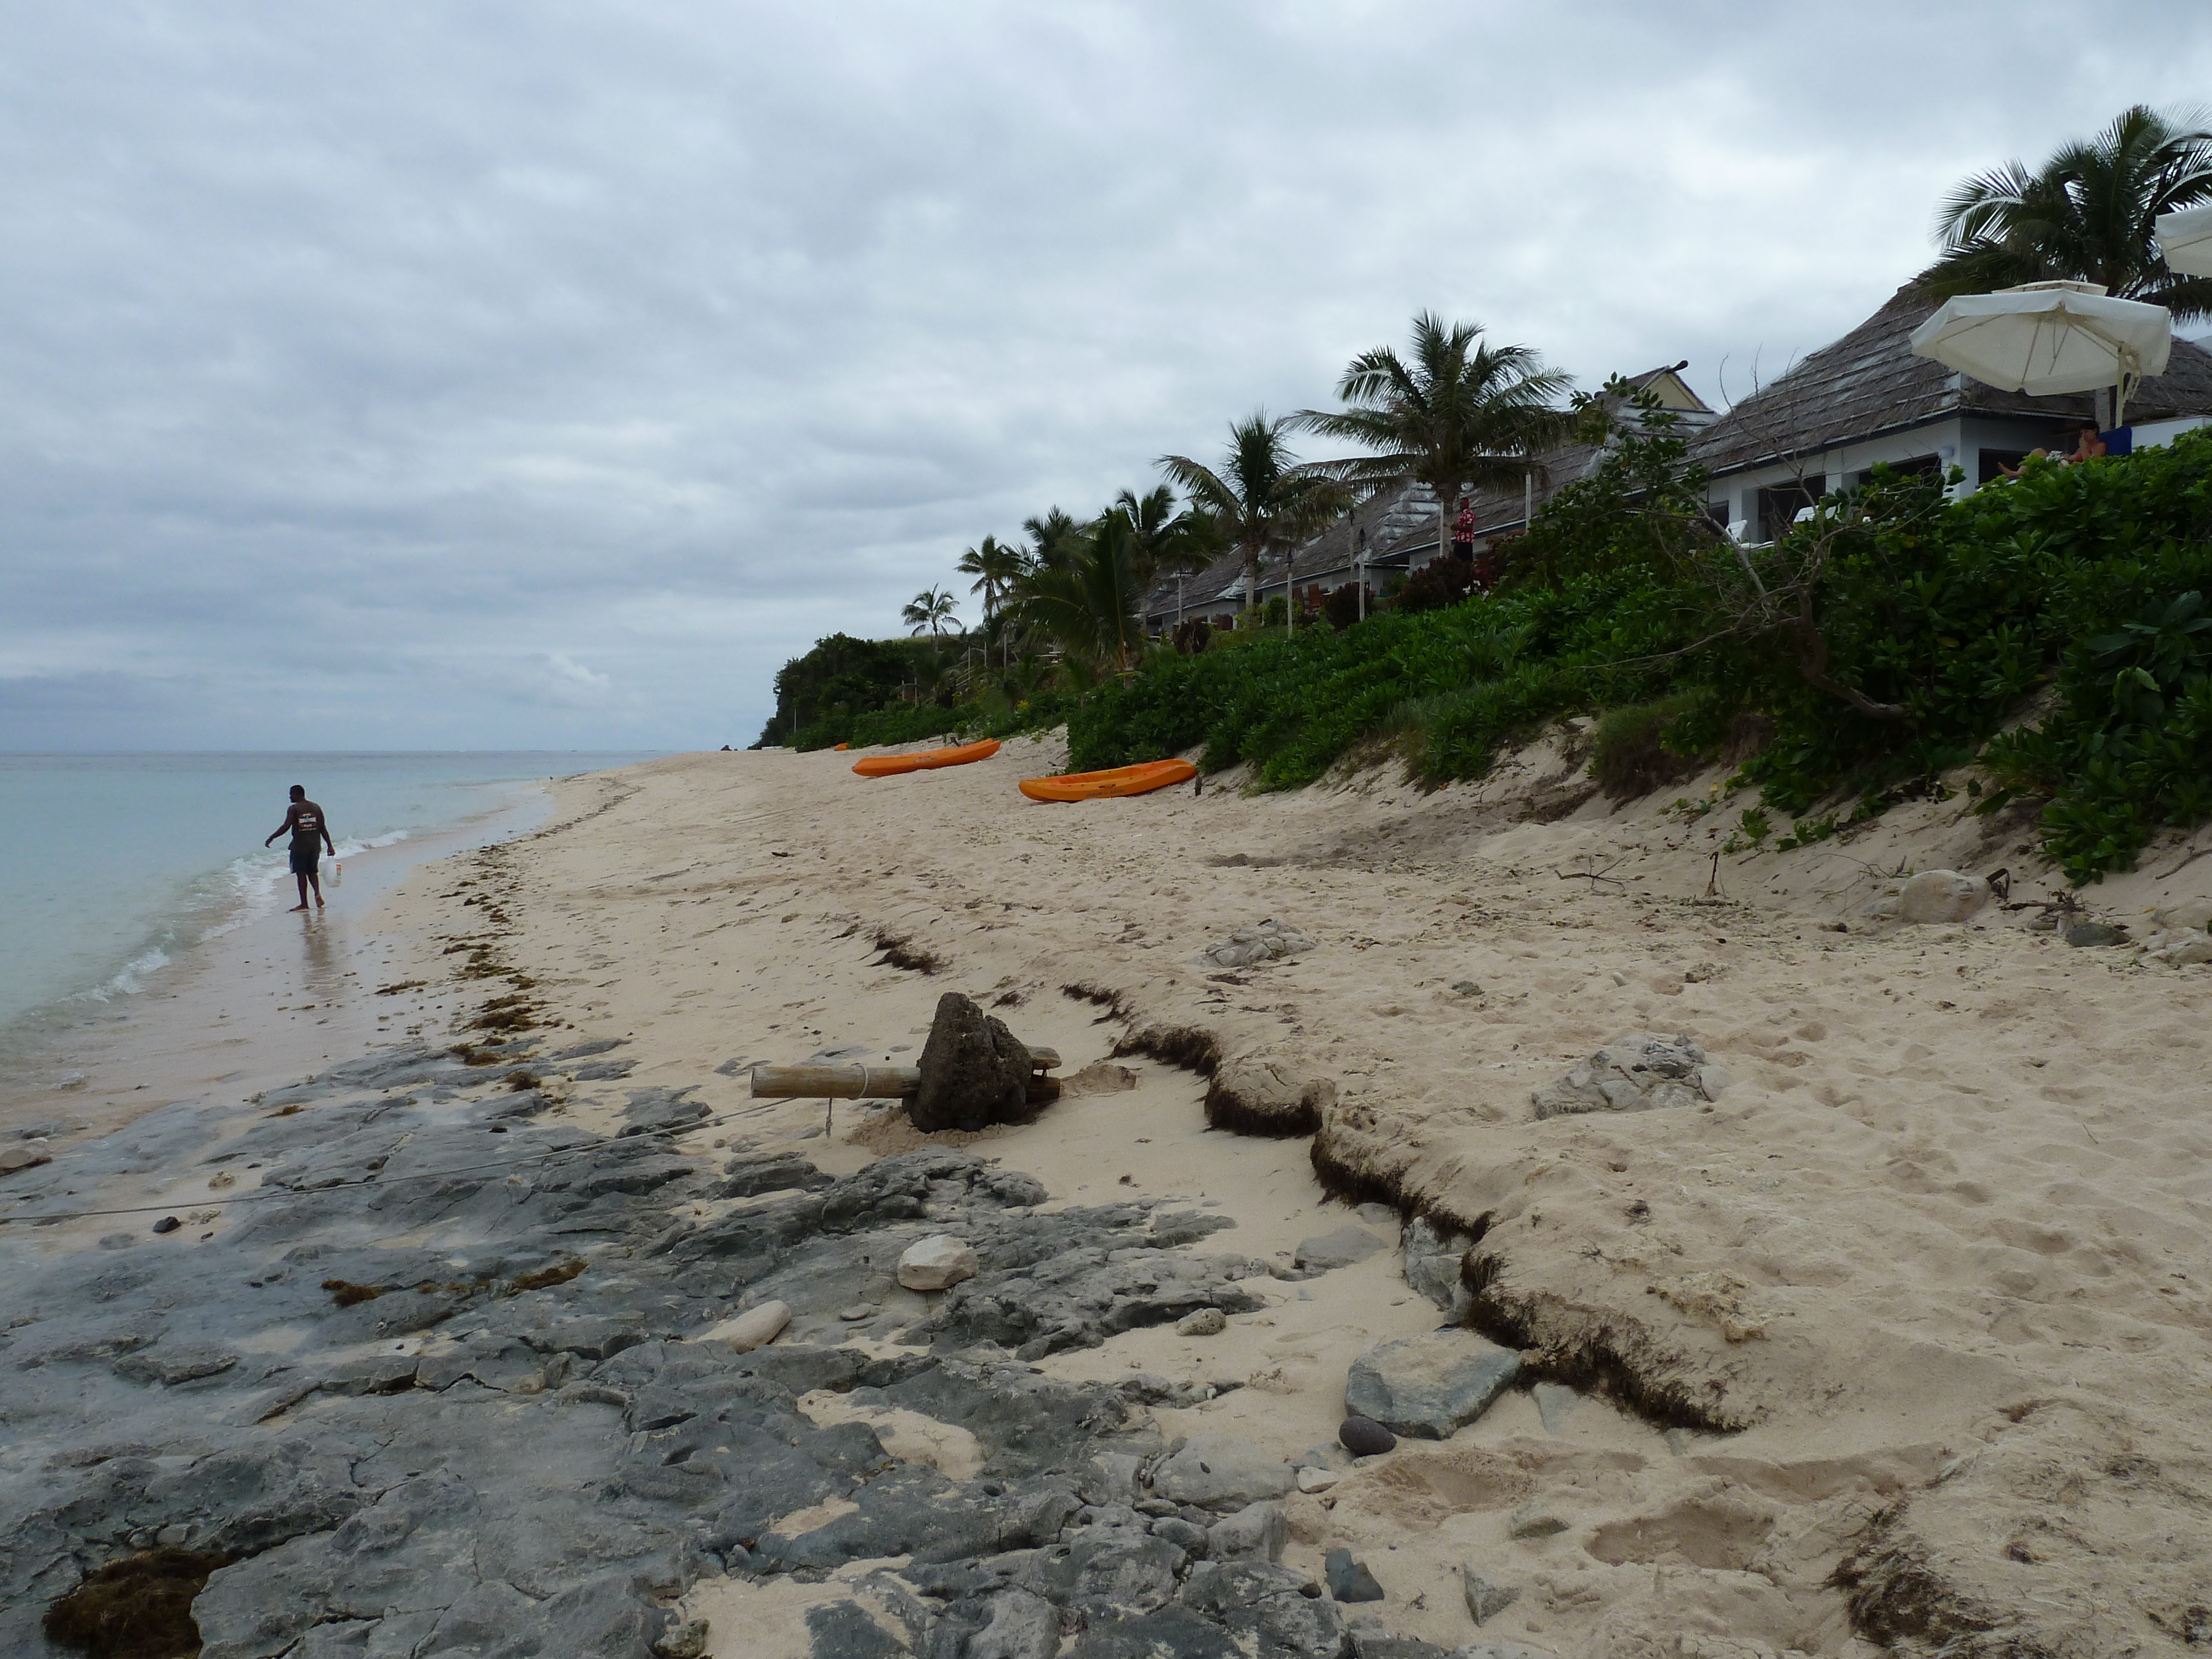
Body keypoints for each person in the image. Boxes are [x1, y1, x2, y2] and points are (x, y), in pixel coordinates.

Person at [265, 785, 336, 911]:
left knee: (301, 874)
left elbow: (286, 826)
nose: (290, 797)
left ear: (297, 794)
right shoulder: (316, 807)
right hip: (315, 845)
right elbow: (322, 828)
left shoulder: (294, 809)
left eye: (291, 794)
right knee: (312, 872)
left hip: (300, 846)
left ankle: (304, 904)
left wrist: (272, 837)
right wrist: (330, 845)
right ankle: (317, 893)